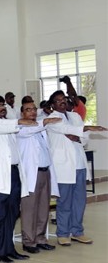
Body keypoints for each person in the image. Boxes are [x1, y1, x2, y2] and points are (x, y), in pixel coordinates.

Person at [0, 94, 36, 263]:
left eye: (2, 104)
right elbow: (0, 126)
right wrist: (19, 121)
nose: (1, 107)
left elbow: (10, 128)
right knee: (0, 215)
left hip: (13, 172)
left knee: (12, 213)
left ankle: (9, 248)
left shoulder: (5, 123)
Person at [45, 90, 107, 246]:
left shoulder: (75, 116)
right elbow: (67, 131)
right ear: (52, 104)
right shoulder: (51, 119)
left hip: (79, 163)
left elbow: (82, 139)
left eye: (64, 99)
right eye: (58, 100)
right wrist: (83, 131)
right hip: (63, 165)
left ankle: (77, 231)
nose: (62, 102)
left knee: (80, 200)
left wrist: (80, 133)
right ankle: (63, 233)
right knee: (65, 201)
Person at [17, 102, 60, 254]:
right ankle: (28, 241)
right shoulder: (20, 128)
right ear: (22, 113)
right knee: (29, 209)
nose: (32, 112)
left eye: (34, 109)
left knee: (43, 207)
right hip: (31, 174)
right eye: (28, 110)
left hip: (45, 172)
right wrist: (45, 121)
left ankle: (40, 238)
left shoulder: (41, 129)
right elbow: (30, 130)